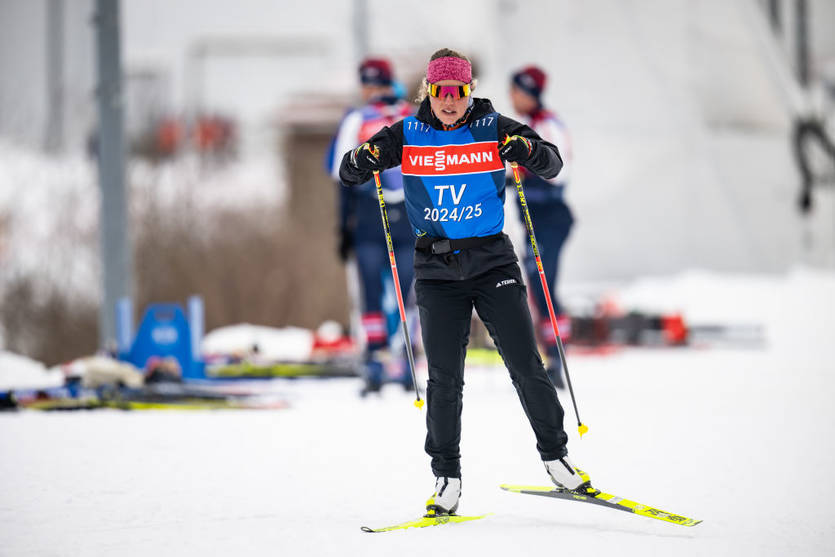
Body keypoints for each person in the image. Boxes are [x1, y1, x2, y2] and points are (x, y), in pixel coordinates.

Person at [339, 48, 591, 516]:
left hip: (492, 262)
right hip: (435, 270)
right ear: (429, 93)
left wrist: (530, 151)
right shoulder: (407, 133)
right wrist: (362, 158)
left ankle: (557, 459)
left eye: (458, 92)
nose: (449, 101)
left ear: (469, 91)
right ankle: (447, 477)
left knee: (525, 365)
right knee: (444, 380)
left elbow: (553, 165)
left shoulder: (493, 127)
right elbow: (349, 170)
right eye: (441, 93)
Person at [328, 57, 416, 395]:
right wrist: (344, 227)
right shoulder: (356, 119)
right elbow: (342, 172)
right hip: (369, 215)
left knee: (409, 290)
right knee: (372, 291)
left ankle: (407, 359)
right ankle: (376, 360)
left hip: (408, 216)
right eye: (367, 85)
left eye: (375, 85)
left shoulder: (411, 116)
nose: (371, 92)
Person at [507, 66, 574, 389]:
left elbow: (557, 174)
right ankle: (552, 353)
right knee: (536, 285)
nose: (512, 97)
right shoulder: (530, 125)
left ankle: (558, 356)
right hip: (533, 217)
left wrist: (521, 177)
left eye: (516, 91)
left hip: (550, 216)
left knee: (543, 284)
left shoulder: (548, 124)